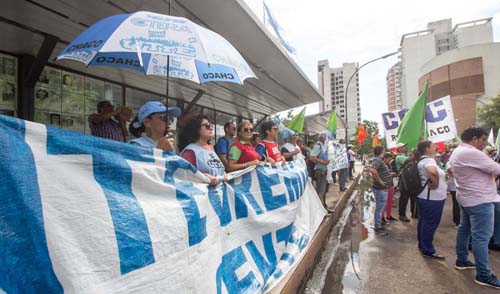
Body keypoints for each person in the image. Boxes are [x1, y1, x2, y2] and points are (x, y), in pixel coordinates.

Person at [450, 127, 500, 289]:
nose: (484, 143)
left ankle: (462, 259)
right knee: (481, 237)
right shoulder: (472, 152)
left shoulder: (458, 150)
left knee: (464, 230)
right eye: (483, 140)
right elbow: (497, 169)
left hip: (467, 198)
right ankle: (484, 274)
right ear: (474, 139)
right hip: (480, 200)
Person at [414, 141, 447, 260]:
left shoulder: (422, 160)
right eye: (433, 146)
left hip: (424, 197)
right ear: (427, 149)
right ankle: (428, 249)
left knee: (424, 221)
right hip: (432, 198)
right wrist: (437, 183)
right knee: (430, 223)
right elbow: (432, 171)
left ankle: (422, 245)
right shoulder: (429, 160)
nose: (436, 147)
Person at [179, 115, 226, 185]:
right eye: (207, 126)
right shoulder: (190, 151)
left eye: (211, 125)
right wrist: (204, 177)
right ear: (196, 129)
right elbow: (185, 176)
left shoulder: (211, 148)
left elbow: (218, 169)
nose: (211, 128)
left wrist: (224, 174)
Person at [369, 146, 392, 235]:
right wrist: (381, 181)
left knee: (380, 207)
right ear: (382, 151)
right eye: (384, 150)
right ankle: (378, 227)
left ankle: (378, 225)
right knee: (380, 208)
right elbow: (372, 170)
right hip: (381, 189)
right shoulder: (378, 160)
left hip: (381, 188)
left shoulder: (377, 159)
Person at [310, 134, 330, 208]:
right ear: (322, 138)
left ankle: (323, 206)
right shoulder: (318, 145)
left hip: (324, 170)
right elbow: (312, 157)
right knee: (320, 191)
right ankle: (320, 209)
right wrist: (323, 162)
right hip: (320, 170)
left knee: (324, 190)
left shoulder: (324, 146)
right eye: (326, 137)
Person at [395, 143, 413, 222]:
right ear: (399, 149)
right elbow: (408, 161)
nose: (406, 147)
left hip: (409, 177)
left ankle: (414, 213)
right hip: (404, 178)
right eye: (403, 147)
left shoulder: (406, 155)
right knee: (404, 197)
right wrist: (415, 153)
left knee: (411, 196)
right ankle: (402, 215)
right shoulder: (399, 157)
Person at [382, 153, 398, 222]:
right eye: (389, 159)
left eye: (390, 159)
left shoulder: (389, 165)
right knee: (383, 202)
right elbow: (383, 174)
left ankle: (388, 215)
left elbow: (395, 173)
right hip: (384, 185)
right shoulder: (382, 165)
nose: (389, 161)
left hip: (391, 184)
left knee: (389, 201)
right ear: (385, 158)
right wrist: (391, 173)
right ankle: (382, 217)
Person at [446, 150, 460, 227]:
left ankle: (458, 220)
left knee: (459, 204)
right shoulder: (449, 163)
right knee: (456, 204)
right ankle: (456, 221)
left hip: (460, 186)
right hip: (453, 187)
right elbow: (450, 171)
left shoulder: (459, 163)